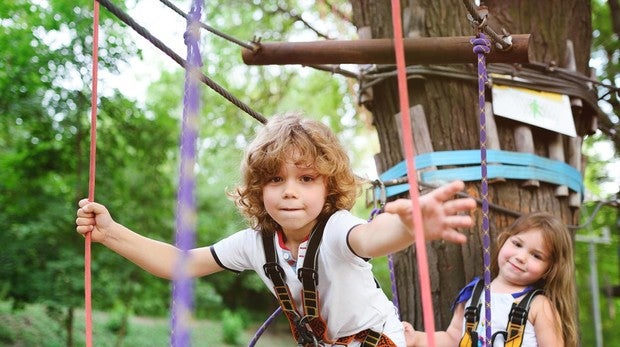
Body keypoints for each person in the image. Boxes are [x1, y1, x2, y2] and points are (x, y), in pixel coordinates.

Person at [76, 112, 477, 346]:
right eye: (275, 180)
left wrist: (410, 228)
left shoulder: (337, 230)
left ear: (328, 187)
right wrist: (112, 233)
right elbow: (182, 263)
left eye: (306, 179)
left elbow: (372, 237)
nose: (289, 193)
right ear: (258, 188)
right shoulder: (256, 244)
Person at [403, 212, 578, 347]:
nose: (521, 257)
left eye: (536, 256)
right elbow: (452, 338)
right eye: (517, 244)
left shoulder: (539, 305)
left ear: (550, 269)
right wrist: (418, 338)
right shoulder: (473, 293)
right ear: (503, 241)